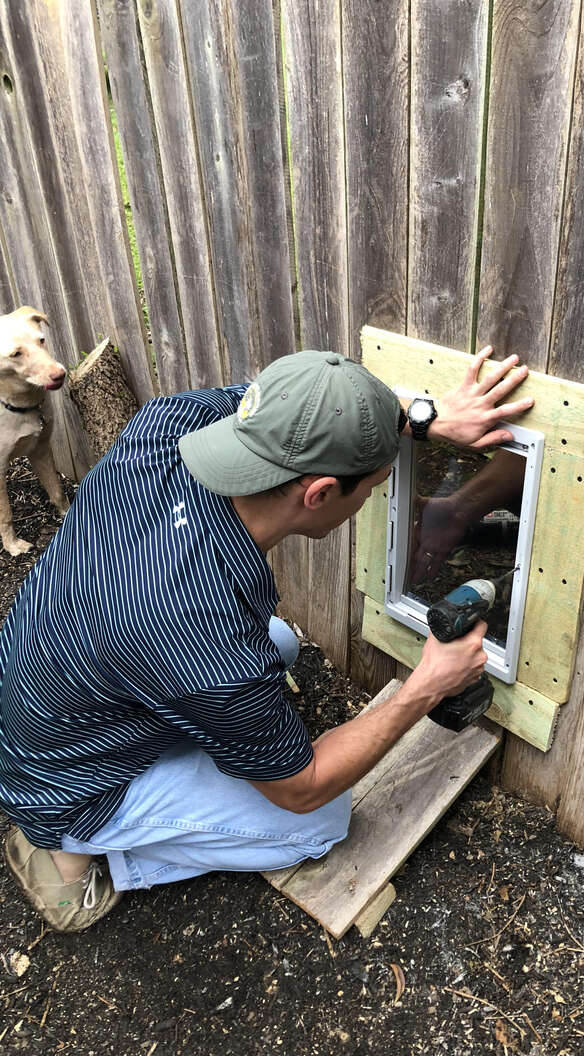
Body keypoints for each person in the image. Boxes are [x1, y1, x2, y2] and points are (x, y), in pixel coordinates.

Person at [0, 344, 533, 932]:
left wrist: (425, 417)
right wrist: (426, 687)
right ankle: (74, 854)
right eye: (376, 486)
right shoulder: (198, 631)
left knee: (275, 643)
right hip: (63, 777)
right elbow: (302, 789)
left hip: (43, 680)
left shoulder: (167, 428)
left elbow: (299, 411)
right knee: (320, 819)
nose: (380, 497)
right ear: (321, 494)